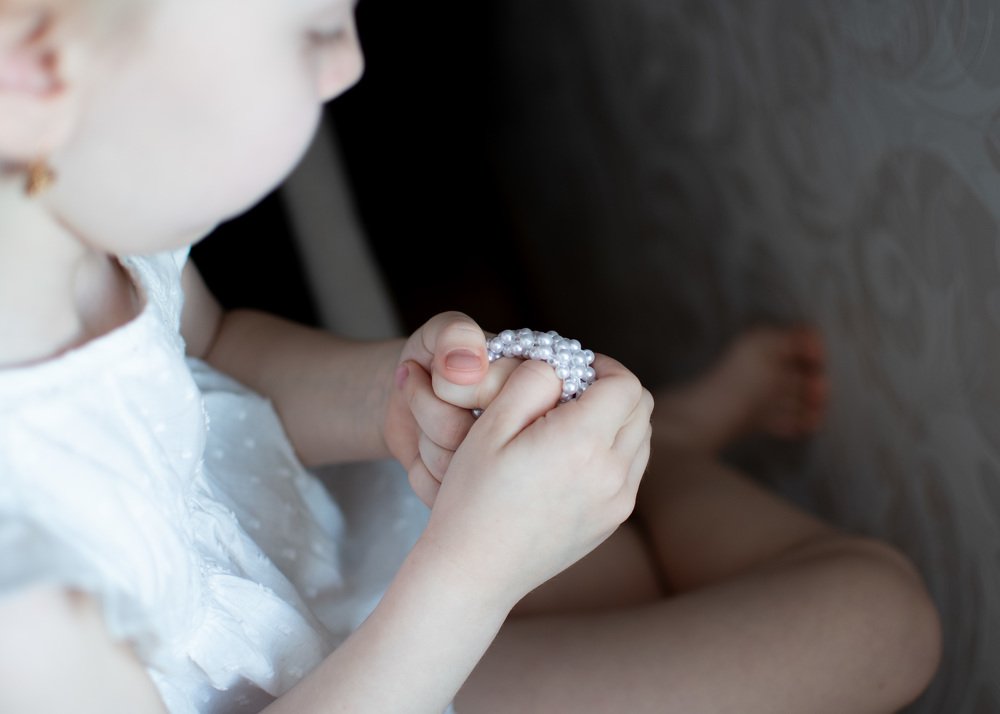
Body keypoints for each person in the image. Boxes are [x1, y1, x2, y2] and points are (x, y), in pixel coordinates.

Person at [0, 1, 941, 713]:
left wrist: (395, 397)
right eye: (313, 29)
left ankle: (655, 452)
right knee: (882, 622)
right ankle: (675, 451)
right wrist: (474, 572)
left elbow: (216, 355)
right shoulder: (24, 600)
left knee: (621, 569)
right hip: (373, 678)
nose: (348, 64)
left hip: (335, 575)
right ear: (35, 75)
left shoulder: (87, 230)